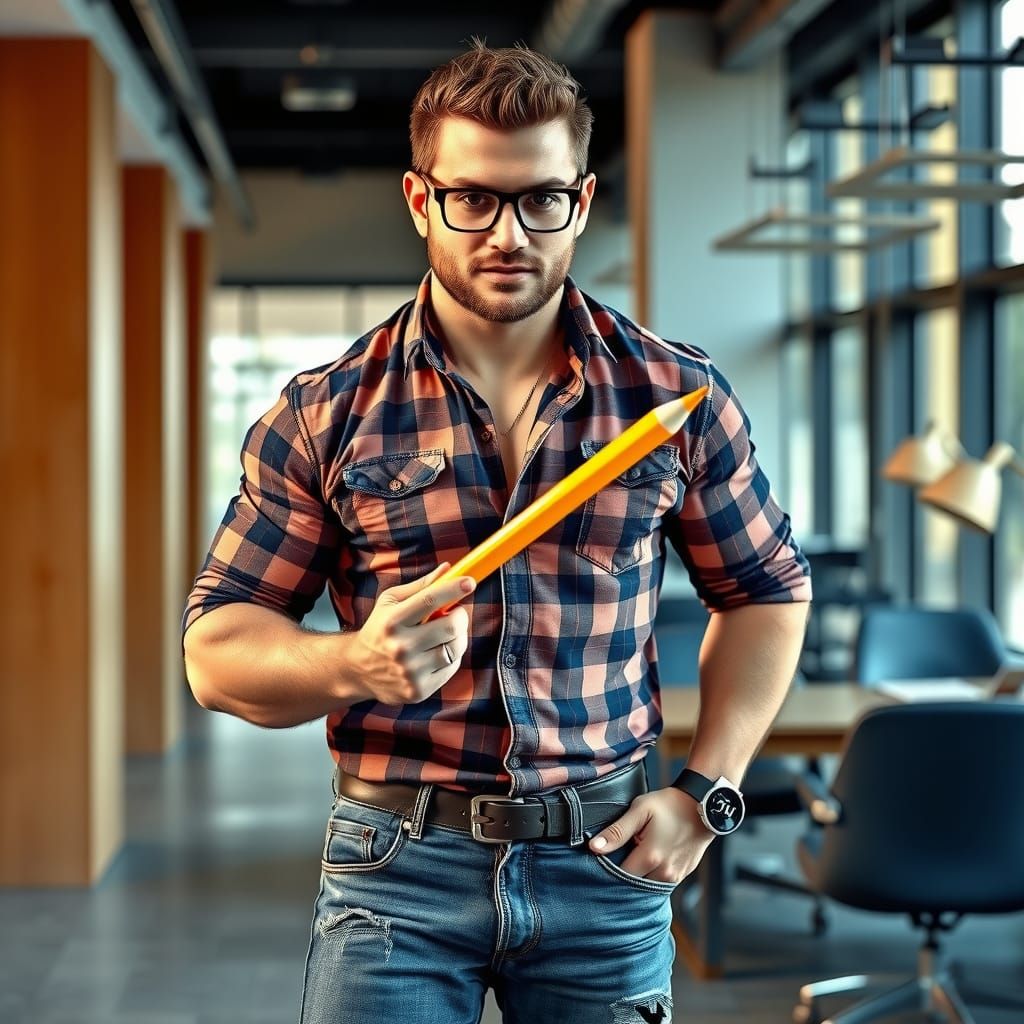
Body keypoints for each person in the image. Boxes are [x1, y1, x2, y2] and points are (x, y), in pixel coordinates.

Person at [182, 40, 812, 1024]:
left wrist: (707, 791)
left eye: (539, 199)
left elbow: (767, 589)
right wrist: (355, 661)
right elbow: (215, 655)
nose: (507, 233)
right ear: (419, 199)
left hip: (605, 859)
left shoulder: (675, 395)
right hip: (393, 864)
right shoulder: (326, 411)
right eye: (472, 198)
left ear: (583, 201)